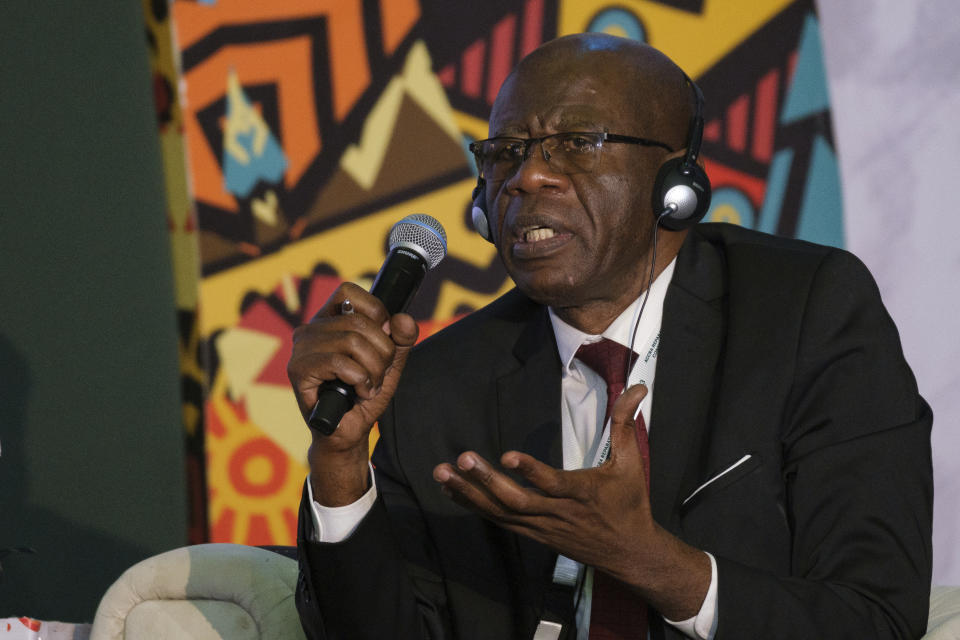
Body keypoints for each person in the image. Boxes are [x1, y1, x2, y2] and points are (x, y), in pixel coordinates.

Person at [287, 33, 932, 640]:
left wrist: (653, 563)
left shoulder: (807, 314)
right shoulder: (436, 383)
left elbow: (873, 614)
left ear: (676, 185)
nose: (528, 178)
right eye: (506, 153)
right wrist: (339, 463)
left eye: (577, 143)